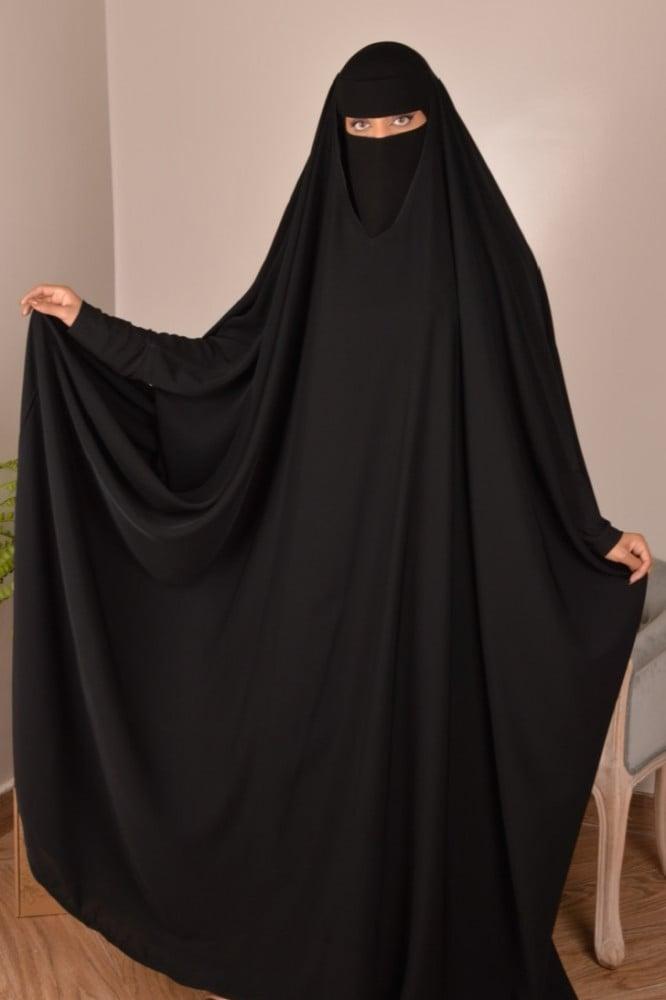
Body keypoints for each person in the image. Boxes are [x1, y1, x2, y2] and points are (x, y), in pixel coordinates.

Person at [14, 41, 651, 1000]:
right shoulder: (311, 260)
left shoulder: (491, 262)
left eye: (400, 123)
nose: (380, 141)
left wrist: (590, 531)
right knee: (324, 756)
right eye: (359, 126)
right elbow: (221, 367)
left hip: (438, 563)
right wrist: (89, 327)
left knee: (423, 756)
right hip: (322, 564)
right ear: (333, 135)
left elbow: (535, 413)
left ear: (436, 126)